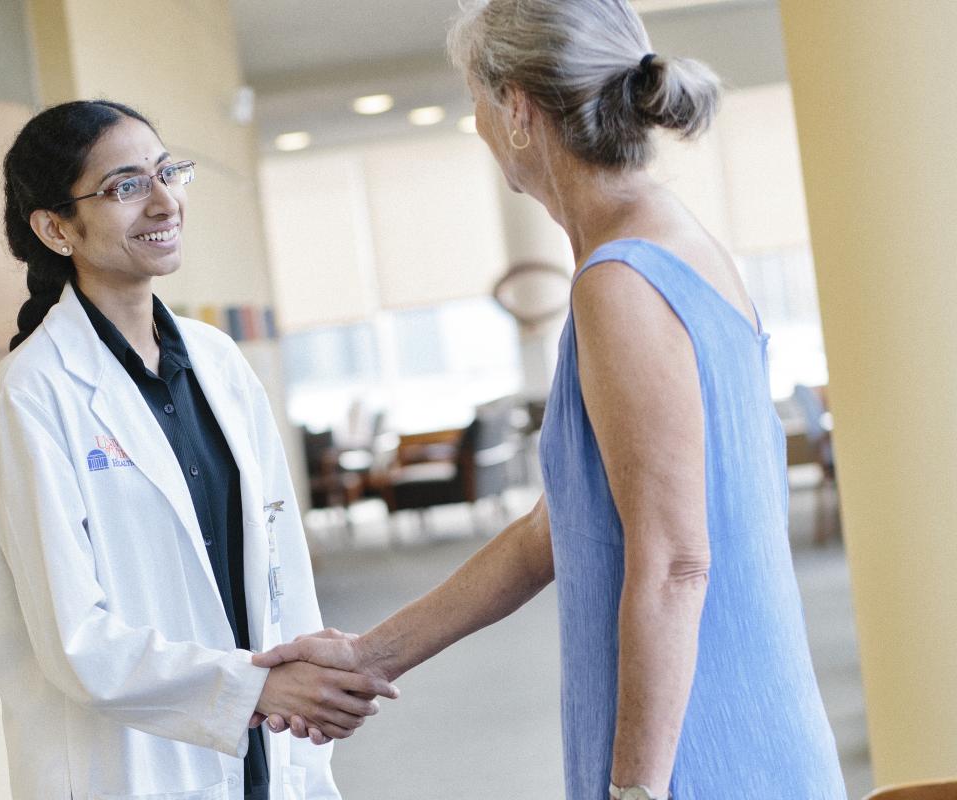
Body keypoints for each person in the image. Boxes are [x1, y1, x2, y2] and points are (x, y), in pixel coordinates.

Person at [255, 2, 848, 798]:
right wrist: (373, 654)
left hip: (698, 743)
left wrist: (634, 792)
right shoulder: (672, 241)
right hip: (739, 712)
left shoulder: (622, 282)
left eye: (475, 100)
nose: (476, 126)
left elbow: (676, 564)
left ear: (517, 111)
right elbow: (558, 524)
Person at [0, 100, 396, 800]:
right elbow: (76, 641)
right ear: (54, 228)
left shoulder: (218, 363)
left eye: (168, 172)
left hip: (266, 754)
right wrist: (261, 688)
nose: (165, 201)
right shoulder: (33, 395)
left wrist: (306, 688)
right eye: (126, 185)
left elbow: (280, 561)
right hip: (135, 770)